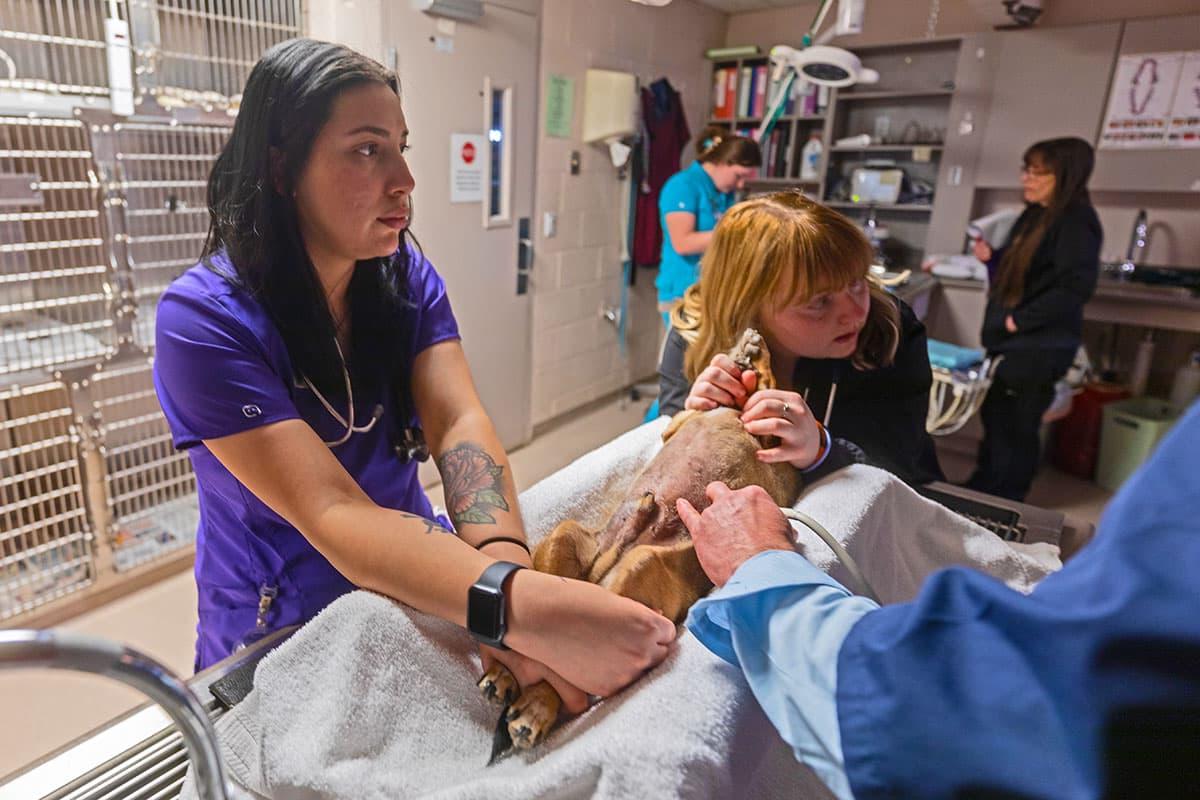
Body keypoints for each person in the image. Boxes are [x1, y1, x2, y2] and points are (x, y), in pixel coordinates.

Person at [152, 39, 674, 710]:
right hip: (277, 630)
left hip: (417, 587)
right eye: (368, 149)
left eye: (402, 146)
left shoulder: (403, 281)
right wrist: (513, 603)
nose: (405, 179)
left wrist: (507, 576)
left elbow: (458, 425)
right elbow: (331, 510)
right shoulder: (203, 321)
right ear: (281, 169)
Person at [677, 397, 1200, 800]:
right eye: (814, 302)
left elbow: (1014, 713)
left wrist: (763, 569)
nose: (847, 309)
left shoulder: (887, 340)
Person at [658, 191, 943, 486]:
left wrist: (821, 450)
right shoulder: (693, 331)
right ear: (750, 304)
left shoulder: (888, 330)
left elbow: (898, 465)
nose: (856, 313)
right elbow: (671, 458)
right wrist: (694, 421)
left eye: (857, 283)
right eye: (819, 302)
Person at [967, 137, 1102, 501]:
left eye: (1036, 172)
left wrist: (1019, 322)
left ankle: (1004, 499)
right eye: (1026, 170)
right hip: (1015, 341)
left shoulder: (1075, 222)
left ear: (1064, 176)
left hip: (1038, 344)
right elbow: (1025, 276)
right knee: (998, 418)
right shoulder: (1034, 215)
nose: (1026, 178)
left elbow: (1073, 288)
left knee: (1017, 427)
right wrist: (992, 260)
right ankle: (985, 489)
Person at [655, 125, 762, 326]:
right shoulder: (683, 185)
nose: (740, 185)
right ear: (720, 162)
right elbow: (683, 243)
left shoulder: (724, 193)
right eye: (738, 176)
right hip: (682, 294)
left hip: (712, 291)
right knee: (688, 357)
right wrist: (740, 230)